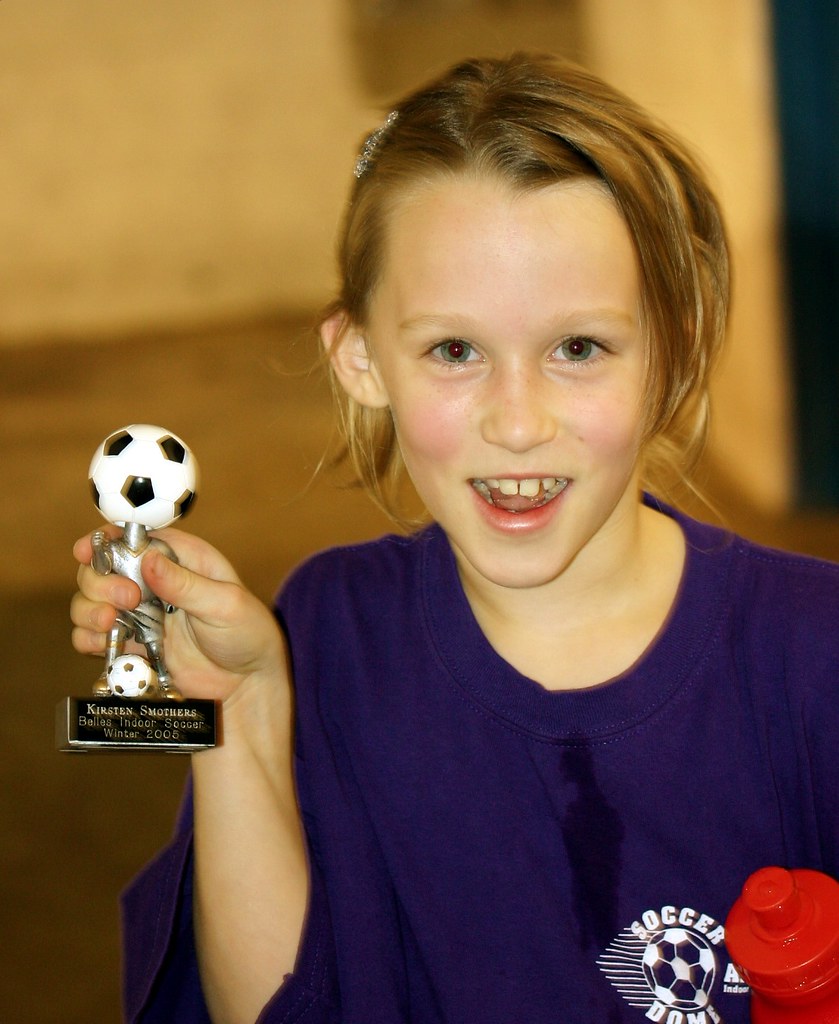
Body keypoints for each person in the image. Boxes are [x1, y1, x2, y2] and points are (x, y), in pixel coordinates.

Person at [71, 53, 839, 1024]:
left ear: (671, 344)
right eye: (453, 350)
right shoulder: (326, 632)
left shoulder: (812, 652)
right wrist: (244, 715)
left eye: (576, 347)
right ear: (360, 360)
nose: (515, 422)